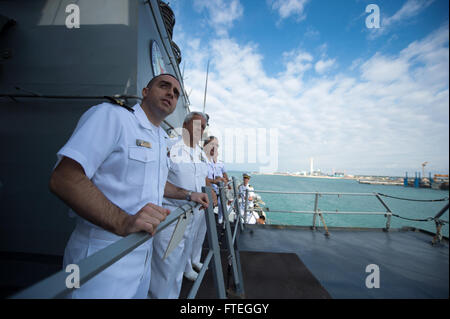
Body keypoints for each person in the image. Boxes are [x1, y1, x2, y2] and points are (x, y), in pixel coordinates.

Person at [49, 74, 209, 299]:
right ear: (145, 91)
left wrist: (188, 194)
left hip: (142, 253)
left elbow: (157, 183)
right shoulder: (111, 117)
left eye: (175, 93)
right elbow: (64, 178)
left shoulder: (161, 138)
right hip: (100, 251)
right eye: (164, 86)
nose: (171, 94)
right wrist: (123, 220)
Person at [149, 111, 214, 298]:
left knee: (179, 266)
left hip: (193, 217)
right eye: (196, 125)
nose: (200, 129)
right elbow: (156, 181)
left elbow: (203, 178)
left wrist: (211, 193)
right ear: (185, 126)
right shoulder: (169, 147)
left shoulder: (200, 154)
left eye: (203, 126)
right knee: (166, 267)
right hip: (172, 216)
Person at [204, 136, 229, 224]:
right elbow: (202, 178)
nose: (214, 148)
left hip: (215, 191)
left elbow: (223, 175)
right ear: (205, 145)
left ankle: (220, 220)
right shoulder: (201, 160)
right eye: (212, 144)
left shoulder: (214, 162)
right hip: (205, 194)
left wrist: (221, 180)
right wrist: (213, 182)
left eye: (216, 146)